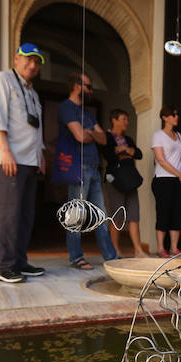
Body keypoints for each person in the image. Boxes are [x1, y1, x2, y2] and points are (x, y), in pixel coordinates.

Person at [0, 43, 46, 283]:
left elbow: (36, 127)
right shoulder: (2, 80)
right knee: (9, 214)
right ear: (17, 58)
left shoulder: (32, 92)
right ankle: (4, 265)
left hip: (30, 160)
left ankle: (19, 261)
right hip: (9, 159)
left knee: (25, 214)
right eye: (29, 59)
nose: (33, 65)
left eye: (37, 62)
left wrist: (41, 154)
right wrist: (5, 151)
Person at [60, 72, 118, 270]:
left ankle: (110, 257)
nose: (91, 90)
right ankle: (76, 257)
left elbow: (104, 140)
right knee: (77, 215)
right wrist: (93, 133)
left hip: (94, 169)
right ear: (77, 86)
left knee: (101, 215)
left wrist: (91, 133)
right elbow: (80, 137)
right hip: (78, 167)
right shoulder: (66, 107)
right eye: (88, 86)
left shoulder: (89, 113)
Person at [101, 108, 148, 258]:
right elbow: (108, 154)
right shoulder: (107, 137)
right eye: (123, 119)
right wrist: (123, 153)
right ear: (114, 120)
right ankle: (115, 249)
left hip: (130, 180)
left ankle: (138, 250)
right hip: (115, 180)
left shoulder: (128, 139)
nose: (126, 122)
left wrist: (125, 150)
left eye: (127, 119)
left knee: (134, 215)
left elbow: (138, 153)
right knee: (117, 216)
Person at [151, 106, 181, 257]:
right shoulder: (158, 135)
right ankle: (161, 248)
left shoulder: (179, 136)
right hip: (163, 180)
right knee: (163, 212)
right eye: (173, 114)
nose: (176, 117)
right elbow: (160, 160)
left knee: (177, 213)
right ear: (164, 118)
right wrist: (178, 174)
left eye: (177, 114)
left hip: (179, 180)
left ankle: (174, 248)